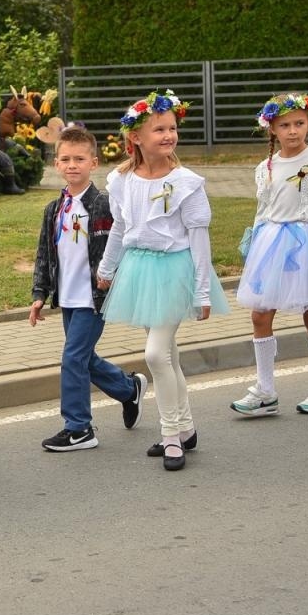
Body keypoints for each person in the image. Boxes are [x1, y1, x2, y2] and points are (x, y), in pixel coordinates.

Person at [96, 91, 229, 471]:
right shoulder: (122, 181)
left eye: (172, 128)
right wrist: (107, 269)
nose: (169, 135)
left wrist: (202, 289)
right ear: (135, 137)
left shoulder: (186, 182)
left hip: (174, 271)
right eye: (159, 129)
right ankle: (186, 428)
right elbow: (120, 228)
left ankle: (171, 434)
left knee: (155, 355)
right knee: (167, 354)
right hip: (140, 270)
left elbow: (199, 238)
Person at [29, 125, 148, 452]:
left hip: (95, 298)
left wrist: (116, 280)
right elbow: (44, 253)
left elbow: (120, 244)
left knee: (72, 359)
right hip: (67, 297)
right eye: (65, 159)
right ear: (56, 164)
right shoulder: (54, 209)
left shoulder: (103, 204)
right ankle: (128, 388)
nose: (72, 165)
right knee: (82, 358)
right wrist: (39, 294)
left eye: (79, 159)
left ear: (93, 163)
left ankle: (79, 427)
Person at [231, 94, 308, 417]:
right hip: (270, 243)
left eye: (299, 123)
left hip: (307, 242)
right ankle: (265, 389)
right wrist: (253, 243)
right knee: (260, 314)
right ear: (272, 130)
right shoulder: (265, 167)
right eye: (285, 125)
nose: (293, 131)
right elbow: (263, 207)